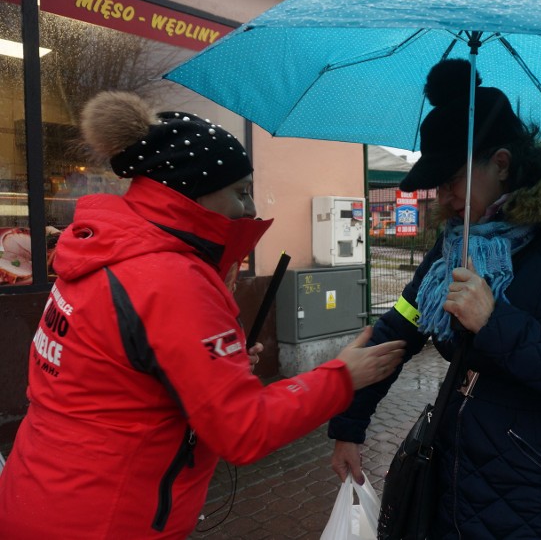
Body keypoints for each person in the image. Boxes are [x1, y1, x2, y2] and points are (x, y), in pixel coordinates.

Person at [0, 91, 404, 539]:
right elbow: (243, 431)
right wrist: (342, 377)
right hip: (107, 517)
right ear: (193, 193)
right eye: (241, 192)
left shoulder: (105, 252)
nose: (252, 209)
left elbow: (118, 378)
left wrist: (213, 373)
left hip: (41, 491)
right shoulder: (172, 278)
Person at [329, 59, 541, 538]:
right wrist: (349, 423)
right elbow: (402, 324)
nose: (444, 197)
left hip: (540, 496)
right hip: (455, 475)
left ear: (501, 163)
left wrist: (496, 323)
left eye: (451, 179)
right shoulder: (458, 242)